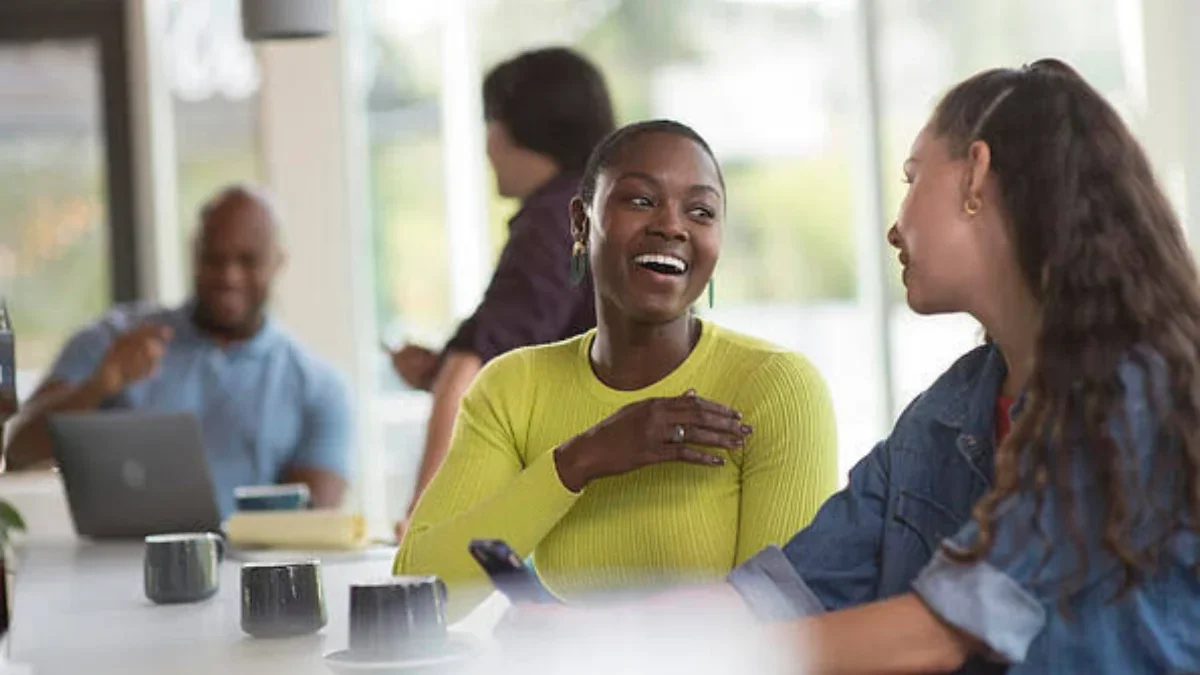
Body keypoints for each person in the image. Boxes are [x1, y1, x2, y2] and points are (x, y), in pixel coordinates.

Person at [512, 60, 1200, 674]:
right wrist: (588, 631)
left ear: (976, 174)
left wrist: (636, 654)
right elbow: (775, 596)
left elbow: (943, 632)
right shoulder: (947, 414)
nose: (894, 225)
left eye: (911, 178)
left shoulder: (1132, 392)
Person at [394, 120, 839, 621]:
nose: (672, 226)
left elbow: (783, 619)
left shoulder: (776, 388)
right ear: (581, 224)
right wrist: (578, 460)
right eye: (641, 200)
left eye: (700, 211)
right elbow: (419, 592)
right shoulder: (512, 389)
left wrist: (590, 639)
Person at [4, 185, 352, 518]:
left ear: (278, 261)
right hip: (113, 565)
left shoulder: (318, 387)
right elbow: (19, 449)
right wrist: (98, 386)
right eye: (214, 259)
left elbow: (311, 522)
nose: (229, 276)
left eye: (248, 260)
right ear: (194, 255)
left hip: (242, 571)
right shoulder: (112, 339)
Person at [387, 48, 616, 538]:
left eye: (493, 122)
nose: (487, 144)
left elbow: (475, 370)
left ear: (530, 129)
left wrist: (421, 523)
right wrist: (439, 370)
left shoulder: (556, 219)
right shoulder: (589, 208)